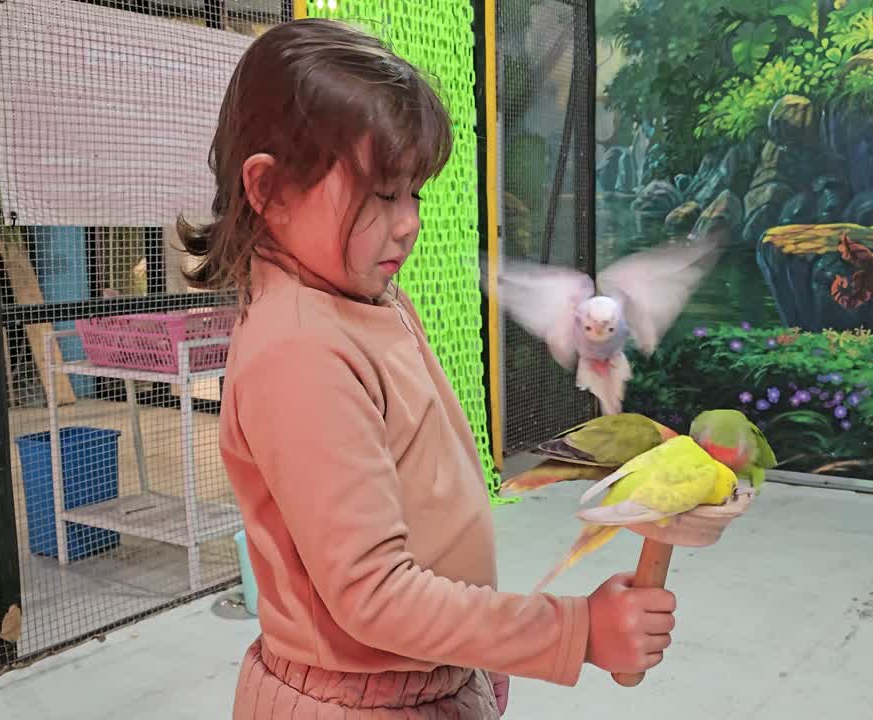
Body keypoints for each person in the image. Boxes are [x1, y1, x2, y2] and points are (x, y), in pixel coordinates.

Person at [179, 18, 677, 718]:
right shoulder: (299, 350)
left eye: (414, 192)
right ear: (269, 189)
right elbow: (374, 594)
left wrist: (476, 653)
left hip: (420, 682)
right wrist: (572, 632)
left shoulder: (363, 292)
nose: (409, 221)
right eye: (383, 195)